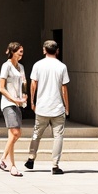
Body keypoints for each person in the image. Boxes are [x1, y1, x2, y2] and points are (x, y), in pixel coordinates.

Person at [24, 40, 70, 175]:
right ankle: (55, 165)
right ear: (57, 51)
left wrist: (32, 102)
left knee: (36, 134)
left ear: (44, 50)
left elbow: (33, 84)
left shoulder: (38, 65)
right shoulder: (62, 66)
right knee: (58, 137)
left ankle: (31, 158)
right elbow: (64, 88)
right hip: (57, 107)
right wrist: (67, 106)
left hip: (42, 107)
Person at [0, 42, 27, 175]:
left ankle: (12, 166)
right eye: (19, 51)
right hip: (8, 103)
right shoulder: (6, 66)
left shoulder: (21, 67)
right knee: (16, 133)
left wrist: (24, 96)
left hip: (18, 103)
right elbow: (1, 88)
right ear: (13, 52)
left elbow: (24, 83)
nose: (21, 54)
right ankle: (3, 158)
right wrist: (13, 99)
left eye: (22, 52)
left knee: (12, 136)